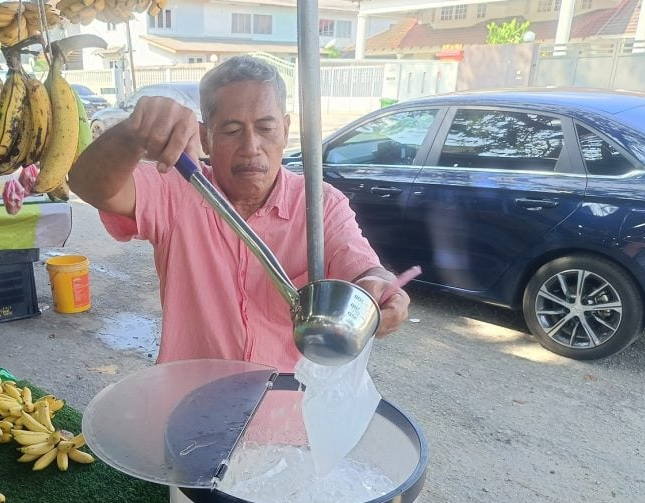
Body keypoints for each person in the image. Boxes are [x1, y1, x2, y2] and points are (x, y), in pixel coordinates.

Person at [69, 56, 411, 372]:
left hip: (287, 414)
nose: (251, 148)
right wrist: (132, 135)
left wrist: (379, 288)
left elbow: (363, 266)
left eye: (266, 128)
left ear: (286, 128)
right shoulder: (175, 189)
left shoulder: (319, 203)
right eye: (232, 131)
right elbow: (89, 186)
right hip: (191, 403)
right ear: (205, 137)